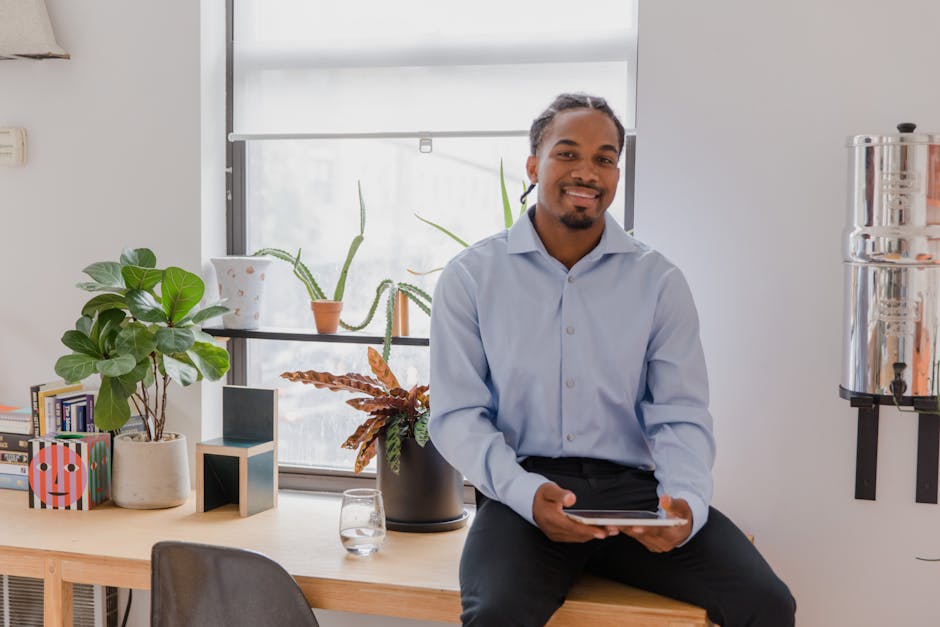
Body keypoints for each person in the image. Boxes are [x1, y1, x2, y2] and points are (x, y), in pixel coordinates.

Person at [428, 93, 796, 627]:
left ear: (617, 174)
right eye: (568, 153)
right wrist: (527, 494)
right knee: (497, 615)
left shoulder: (659, 281)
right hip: (524, 494)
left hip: (635, 498)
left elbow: (680, 413)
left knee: (768, 604)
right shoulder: (470, 277)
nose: (587, 172)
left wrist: (685, 504)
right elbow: (459, 415)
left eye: (604, 158)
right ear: (534, 165)